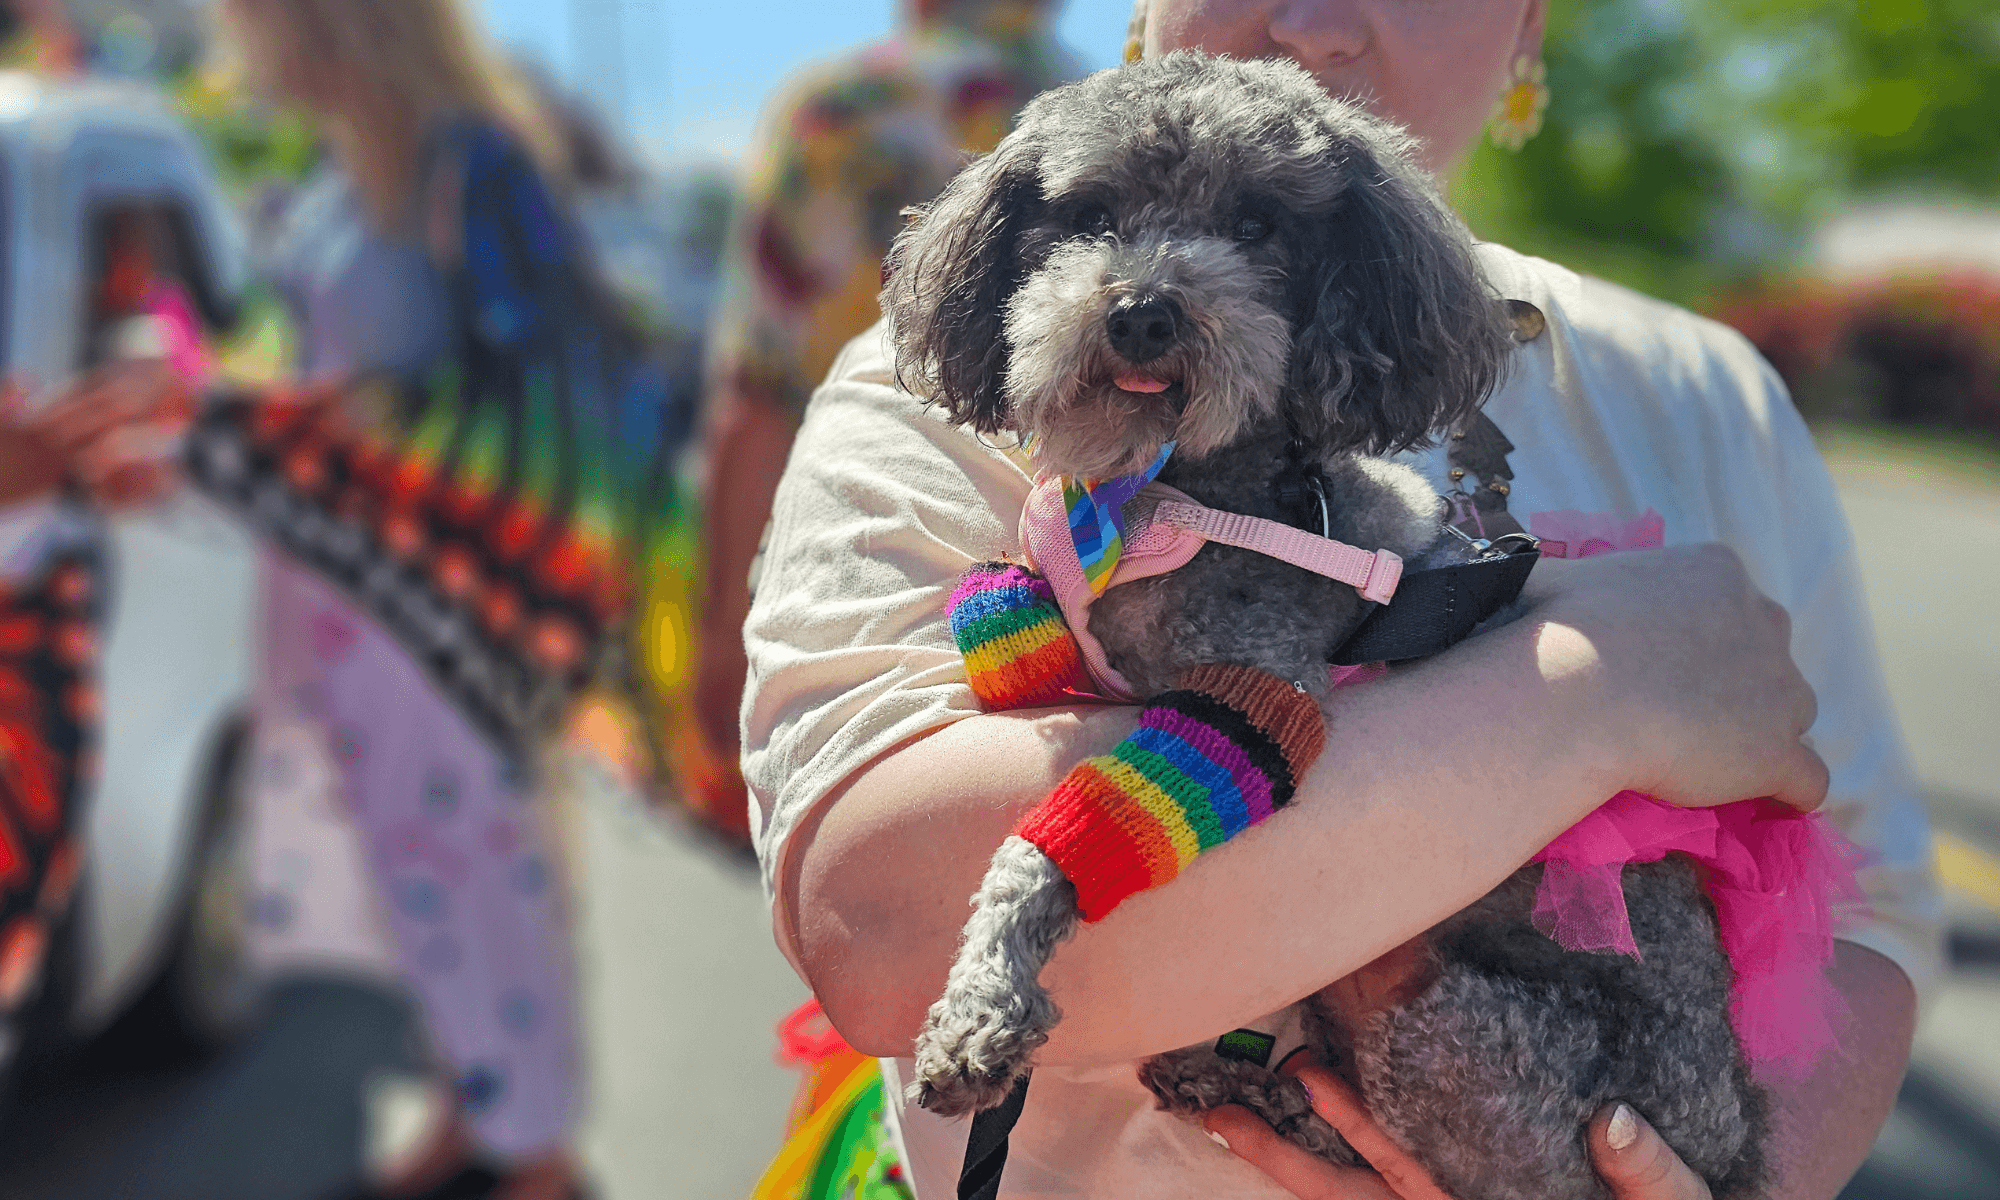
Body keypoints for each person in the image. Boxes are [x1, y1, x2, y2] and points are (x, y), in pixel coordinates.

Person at [740, 1, 1943, 1198]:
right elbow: (878, 940)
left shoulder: (1702, 395)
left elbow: (1871, 917)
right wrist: (1600, 692)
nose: (1315, 19)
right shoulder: (938, 405)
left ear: (1527, 24)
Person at [206, 2, 677, 1197]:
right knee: (404, 866)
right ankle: (477, 1107)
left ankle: (539, 1150)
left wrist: (357, 414)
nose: (239, 51)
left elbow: (551, 371)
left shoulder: (469, 160)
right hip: (348, 588)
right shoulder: (339, 167)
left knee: (482, 861)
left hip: (452, 587)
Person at [694, 0, 1075, 844]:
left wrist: (721, 633)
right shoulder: (1103, 105)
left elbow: (754, 400)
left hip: (863, 584)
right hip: (1083, 593)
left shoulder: (838, 115)